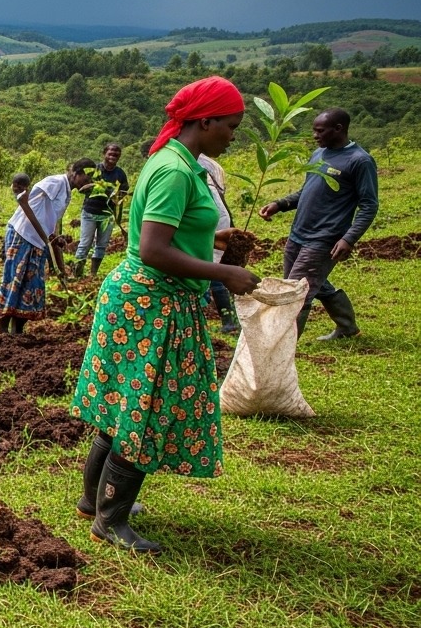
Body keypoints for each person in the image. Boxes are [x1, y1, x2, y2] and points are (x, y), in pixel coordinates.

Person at [70, 76, 261, 555]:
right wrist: (228, 275)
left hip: (144, 297)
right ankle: (110, 522)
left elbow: (169, 232)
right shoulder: (176, 170)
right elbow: (154, 249)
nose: (234, 135)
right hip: (153, 303)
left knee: (122, 405)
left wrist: (215, 240)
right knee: (145, 409)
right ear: (205, 120)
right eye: (231, 126)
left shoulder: (175, 160)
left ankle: (93, 501)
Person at [259, 108, 379, 340]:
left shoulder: (360, 161)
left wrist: (349, 238)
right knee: (307, 282)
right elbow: (307, 191)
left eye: (319, 130)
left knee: (296, 292)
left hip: (325, 239)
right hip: (298, 234)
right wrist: (280, 204)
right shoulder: (319, 154)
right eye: (314, 130)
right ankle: (347, 328)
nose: (315, 135)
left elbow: (369, 205)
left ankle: (282, 346)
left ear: (338, 129)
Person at [0, 159, 96, 334]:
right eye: (85, 180)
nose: (87, 185)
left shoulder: (67, 193)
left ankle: (17, 331)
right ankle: (2, 332)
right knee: (14, 280)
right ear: (75, 173)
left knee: (31, 286)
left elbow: (47, 218)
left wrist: (53, 240)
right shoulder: (54, 182)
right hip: (22, 234)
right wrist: (46, 239)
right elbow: (28, 205)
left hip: (38, 241)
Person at [73, 143, 130, 277]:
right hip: (89, 212)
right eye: (110, 153)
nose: (113, 156)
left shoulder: (120, 174)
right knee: (84, 244)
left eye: (116, 154)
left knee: (101, 246)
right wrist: (97, 187)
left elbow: (122, 193)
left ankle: (93, 274)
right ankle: (77, 275)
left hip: (107, 214)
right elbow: (82, 187)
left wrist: (112, 193)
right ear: (104, 153)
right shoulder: (95, 170)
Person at [198, 153, 240, 333]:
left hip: (211, 221)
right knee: (212, 268)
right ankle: (228, 318)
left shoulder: (191, 163)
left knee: (212, 269)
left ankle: (228, 320)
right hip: (217, 217)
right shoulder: (208, 164)